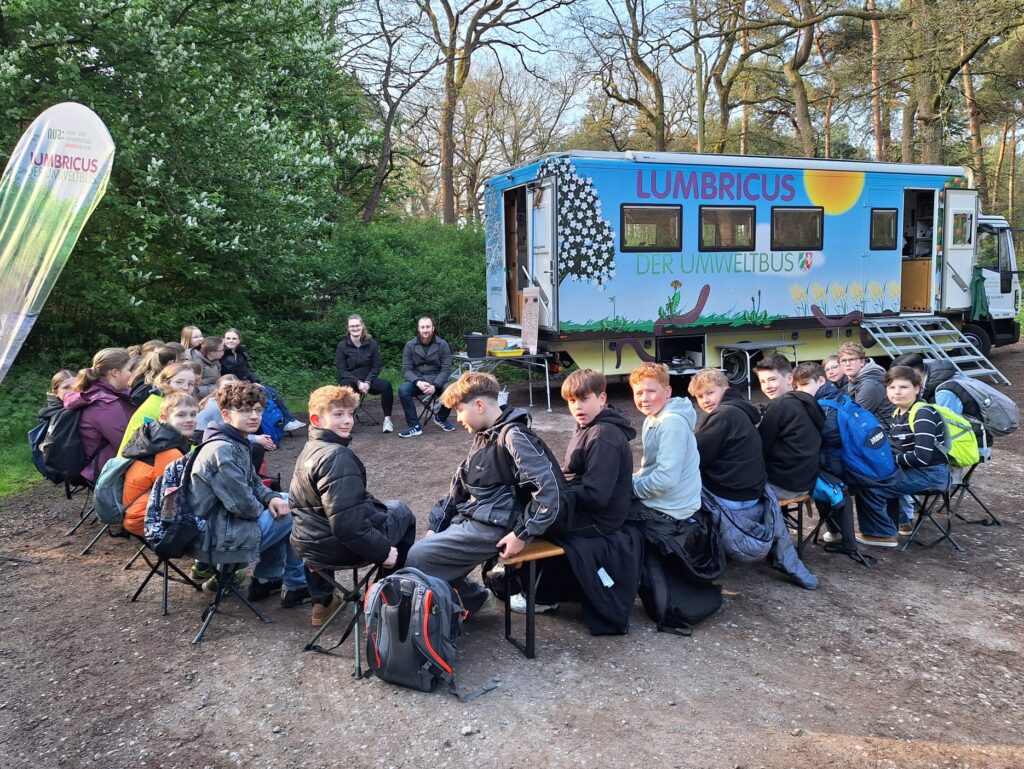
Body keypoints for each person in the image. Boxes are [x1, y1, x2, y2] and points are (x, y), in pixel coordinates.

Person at [405, 372, 564, 614]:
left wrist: (521, 534)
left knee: (419, 558)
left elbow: (549, 490)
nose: (457, 418)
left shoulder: (514, 436)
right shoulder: (485, 437)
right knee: (424, 549)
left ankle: (463, 605)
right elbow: (459, 487)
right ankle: (472, 601)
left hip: (500, 526)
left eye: (459, 410)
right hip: (479, 517)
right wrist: (436, 526)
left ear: (479, 405)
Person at [508, 368, 639, 621]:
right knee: (526, 505)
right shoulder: (586, 426)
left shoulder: (604, 435)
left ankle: (543, 596)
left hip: (600, 519)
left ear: (601, 399)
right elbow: (573, 474)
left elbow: (596, 495)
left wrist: (556, 496)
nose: (577, 407)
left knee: (535, 522)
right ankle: (527, 581)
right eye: (571, 401)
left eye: (584, 399)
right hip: (586, 506)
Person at [288, 386, 417, 626]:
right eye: (338, 414)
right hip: (336, 547)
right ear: (317, 419)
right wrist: (383, 552)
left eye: (349, 414)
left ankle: (323, 602)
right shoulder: (336, 456)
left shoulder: (309, 449)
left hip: (308, 546)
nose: (347, 421)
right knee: (402, 511)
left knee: (379, 509)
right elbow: (347, 526)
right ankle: (388, 600)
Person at [688, 368, 817, 590]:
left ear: (725, 389)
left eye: (710, 392)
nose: (705, 400)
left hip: (731, 496)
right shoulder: (741, 411)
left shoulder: (723, 416)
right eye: (700, 397)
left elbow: (695, 457)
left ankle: (694, 561)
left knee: (680, 489)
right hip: (753, 492)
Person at [189, 382, 308, 605]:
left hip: (225, 526)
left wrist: (270, 497)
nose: (254, 416)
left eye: (258, 410)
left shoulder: (235, 440)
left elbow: (254, 482)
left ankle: (267, 580)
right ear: (225, 414)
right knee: (293, 510)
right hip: (216, 540)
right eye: (244, 410)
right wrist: (270, 505)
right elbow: (244, 507)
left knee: (283, 501)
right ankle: (296, 585)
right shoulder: (221, 450)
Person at [852, 366, 951, 548]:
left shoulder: (923, 413)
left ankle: (882, 534)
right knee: (876, 475)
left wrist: (889, 462)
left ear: (916, 389)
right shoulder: (898, 413)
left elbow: (922, 457)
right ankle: (901, 523)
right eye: (892, 387)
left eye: (903, 387)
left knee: (869, 485)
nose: (897, 392)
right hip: (917, 471)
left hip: (931, 474)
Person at [628, 362, 701, 525]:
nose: (644, 398)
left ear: (667, 392)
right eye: (638, 393)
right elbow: (650, 469)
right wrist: (629, 479)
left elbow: (665, 478)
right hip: (666, 499)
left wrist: (630, 488)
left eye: (651, 391)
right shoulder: (653, 417)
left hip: (671, 508)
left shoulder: (671, 423)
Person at [120, 392, 196, 537]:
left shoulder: (159, 439)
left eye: (193, 414)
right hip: (144, 519)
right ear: (164, 417)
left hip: (139, 512)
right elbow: (177, 495)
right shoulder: (169, 452)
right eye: (181, 415)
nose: (189, 420)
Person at [753, 355, 823, 500]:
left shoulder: (779, 406)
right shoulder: (806, 400)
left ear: (790, 378)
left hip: (784, 485)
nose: (767, 386)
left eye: (772, 379)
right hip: (807, 482)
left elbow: (759, 447)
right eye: (762, 381)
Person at [63, 348, 137, 484]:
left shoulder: (97, 391)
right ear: (115, 372)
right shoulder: (105, 404)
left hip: (108, 464)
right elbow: (126, 444)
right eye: (129, 370)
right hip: (108, 471)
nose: (132, 374)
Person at [220, 328, 304, 432]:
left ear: (239, 340)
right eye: (228, 338)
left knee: (271, 391)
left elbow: (246, 371)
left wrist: (255, 381)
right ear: (223, 339)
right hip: (230, 384)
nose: (231, 341)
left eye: (234, 338)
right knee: (264, 394)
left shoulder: (241, 354)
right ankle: (279, 422)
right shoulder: (221, 354)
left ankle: (288, 420)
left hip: (243, 382)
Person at [118, 361, 197, 455]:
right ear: (165, 382)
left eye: (191, 384)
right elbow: (150, 447)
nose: (185, 387)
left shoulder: (174, 404)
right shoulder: (154, 408)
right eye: (179, 382)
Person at [335, 314, 395, 434]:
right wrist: (358, 382)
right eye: (352, 326)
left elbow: (376, 366)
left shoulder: (371, 343)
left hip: (369, 380)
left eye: (357, 325)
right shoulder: (342, 346)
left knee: (386, 386)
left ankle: (387, 420)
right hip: (350, 380)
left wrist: (367, 381)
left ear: (362, 326)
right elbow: (341, 370)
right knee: (342, 389)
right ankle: (344, 421)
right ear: (348, 328)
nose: (355, 328)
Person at [398, 316, 455, 436]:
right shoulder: (409, 345)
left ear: (433, 328)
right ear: (418, 329)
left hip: (437, 380)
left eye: (428, 326)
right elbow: (406, 369)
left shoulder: (443, 345)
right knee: (403, 390)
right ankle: (414, 426)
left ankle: (441, 418)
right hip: (417, 380)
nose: (425, 330)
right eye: (422, 327)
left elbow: (446, 369)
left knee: (453, 390)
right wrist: (417, 382)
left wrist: (435, 385)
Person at [837, 342, 890, 432]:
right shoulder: (853, 380)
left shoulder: (870, 384)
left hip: (884, 436)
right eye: (843, 360)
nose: (847, 364)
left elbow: (855, 416)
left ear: (862, 361)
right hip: (873, 432)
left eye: (851, 359)